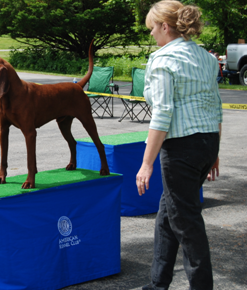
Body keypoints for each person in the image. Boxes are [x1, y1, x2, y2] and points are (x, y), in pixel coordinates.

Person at [136, 1, 222, 290]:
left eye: (152, 28)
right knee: (168, 215)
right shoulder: (207, 58)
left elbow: (162, 113)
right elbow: (215, 105)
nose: (151, 35)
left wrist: (146, 163)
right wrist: (215, 151)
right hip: (207, 142)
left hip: (182, 149)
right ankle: (157, 284)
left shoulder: (162, 60)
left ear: (164, 26)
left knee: (187, 225)